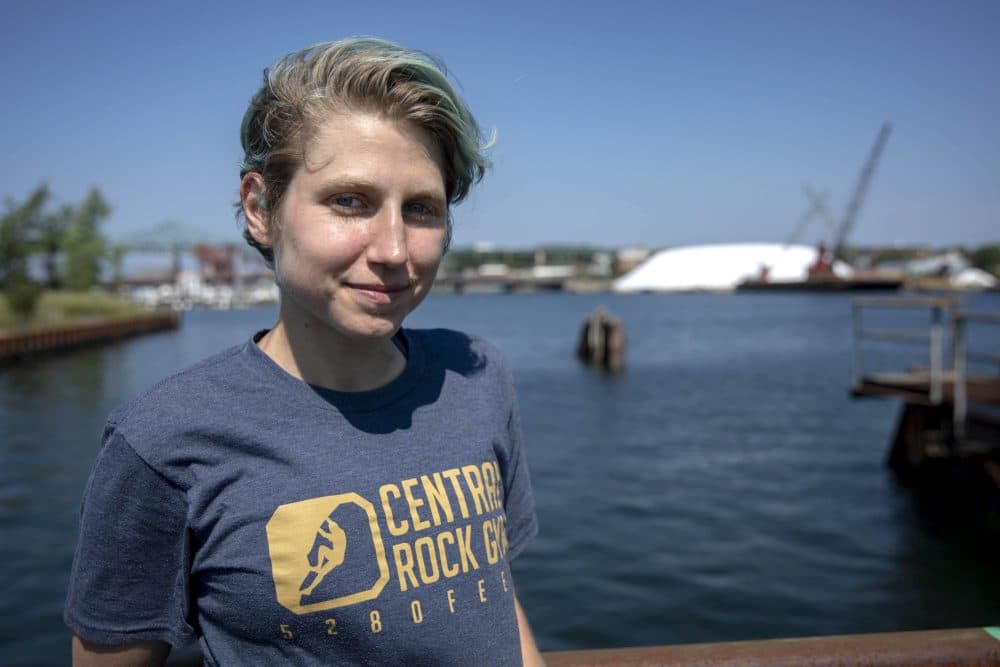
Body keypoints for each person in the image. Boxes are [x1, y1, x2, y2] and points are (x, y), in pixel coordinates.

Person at [65, 37, 544, 666]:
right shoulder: (162, 442)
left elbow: (492, 593)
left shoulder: (477, 376)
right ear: (260, 208)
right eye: (350, 201)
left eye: (422, 209)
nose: (395, 250)